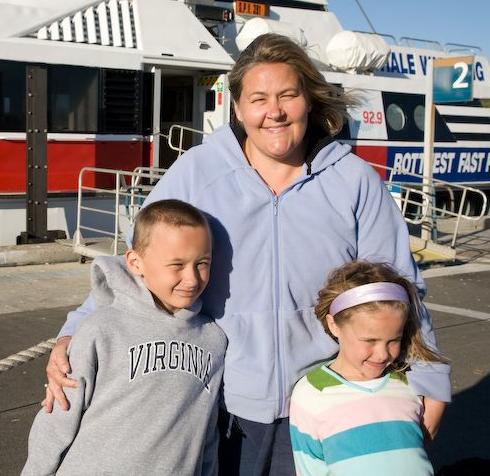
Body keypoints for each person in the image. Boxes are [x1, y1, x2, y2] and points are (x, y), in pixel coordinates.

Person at [45, 33, 451, 475]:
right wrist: (74, 332)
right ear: (237, 108)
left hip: (327, 398)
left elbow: (398, 286)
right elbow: (140, 265)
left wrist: (428, 377)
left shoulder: (354, 180)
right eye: (258, 99)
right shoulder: (197, 172)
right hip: (216, 400)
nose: (274, 112)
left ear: (309, 100)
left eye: (288, 95)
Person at [22, 199, 226, 476]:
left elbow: (207, 434)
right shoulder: (100, 329)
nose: (191, 279)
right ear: (135, 262)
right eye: (176, 265)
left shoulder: (213, 341)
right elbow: (58, 417)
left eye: (202, 263)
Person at [289, 260, 450, 475]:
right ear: (334, 325)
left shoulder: (409, 383)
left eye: (394, 340)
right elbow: (309, 468)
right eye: (369, 340)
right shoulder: (311, 393)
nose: (383, 354)